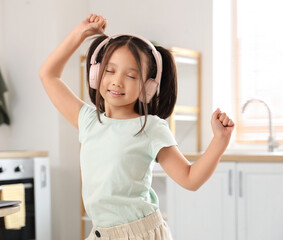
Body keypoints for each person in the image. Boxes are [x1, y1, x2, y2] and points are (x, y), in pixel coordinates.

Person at [39, 14, 234, 240]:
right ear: (96, 73)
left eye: (131, 75)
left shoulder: (150, 128)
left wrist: (220, 141)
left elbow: (190, 179)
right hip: (102, 233)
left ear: (148, 88)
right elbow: (48, 75)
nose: (117, 81)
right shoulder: (88, 120)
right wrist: (79, 33)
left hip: (138, 233)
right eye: (110, 71)